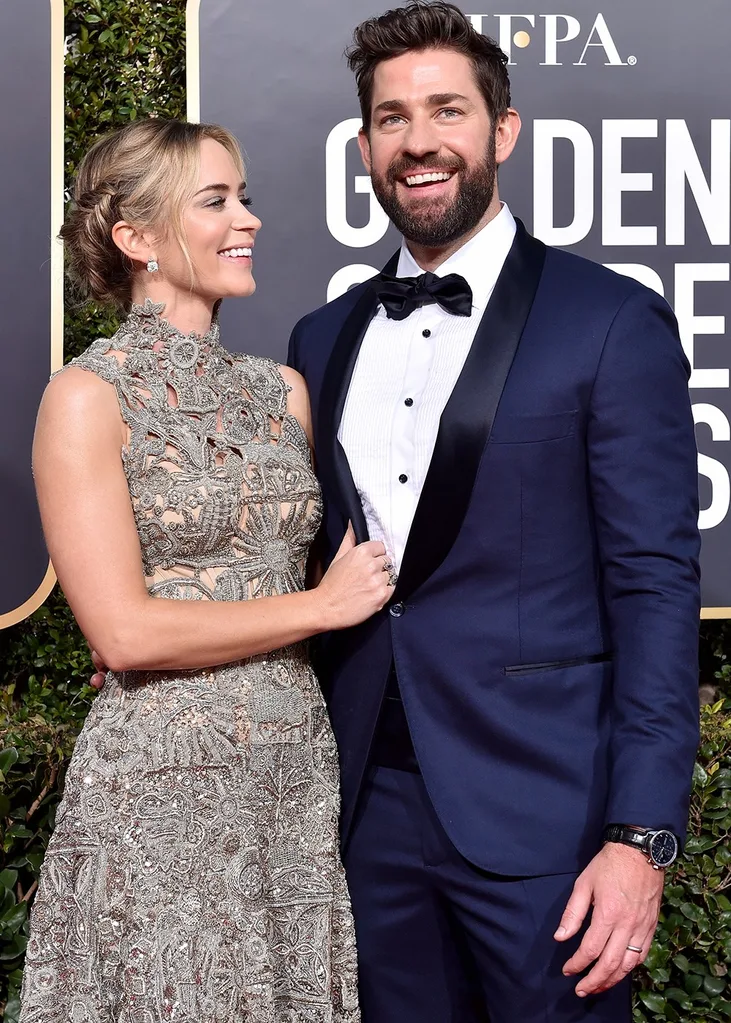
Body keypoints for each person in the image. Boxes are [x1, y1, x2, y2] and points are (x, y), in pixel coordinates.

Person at [285, 3, 701, 1021]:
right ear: (364, 145)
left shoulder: (608, 321)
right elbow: (299, 560)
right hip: (359, 812)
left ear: (500, 132)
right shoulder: (319, 337)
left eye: (445, 111)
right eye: (390, 118)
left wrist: (637, 836)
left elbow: (652, 587)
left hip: (545, 818)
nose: (417, 141)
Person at [21, 117, 393, 1022]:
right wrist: (319, 606)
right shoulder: (84, 397)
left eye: (246, 197)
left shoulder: (283, 390)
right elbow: (123, 632)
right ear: (136, 237)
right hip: (164, 788)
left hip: (294, 777)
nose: (249, 219)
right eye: (216, 201)